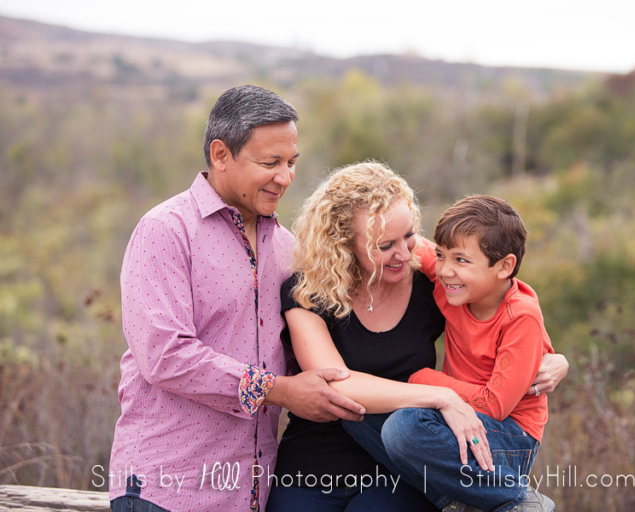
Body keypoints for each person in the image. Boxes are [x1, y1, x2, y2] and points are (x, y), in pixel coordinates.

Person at [108, 85, 365, 512]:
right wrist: (280, 391)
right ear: (220, 154)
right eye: (270, 163)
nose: (285, 177)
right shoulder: (165, 230)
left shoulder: (288, 248)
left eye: (291, 163)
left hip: (250, 496)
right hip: (166, 490)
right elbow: (164, 356)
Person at [266, 163, 568, 512]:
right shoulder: (309, 292)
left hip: (415, 454)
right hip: (324, 454)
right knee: (356, 420)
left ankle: (489, 497)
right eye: (385, 245)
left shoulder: (433, 282)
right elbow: (336, 385)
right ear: (344, 244)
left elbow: (497, 297)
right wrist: (438, 395)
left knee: (399, 438)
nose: (405, 253)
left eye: (409, 235)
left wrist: (555, 359)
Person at [369, 195, 557, 512]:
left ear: (504, 266)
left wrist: (424, 380)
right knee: (357, 410)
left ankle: (516, 499)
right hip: (454, 417)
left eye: (461, 261)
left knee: (405, 427)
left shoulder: (520, 317)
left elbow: (495, 405)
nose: (445, 270)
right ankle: (457, 497)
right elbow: (412, 245)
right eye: (442, 256)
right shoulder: (452, 282)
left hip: (510, 437)